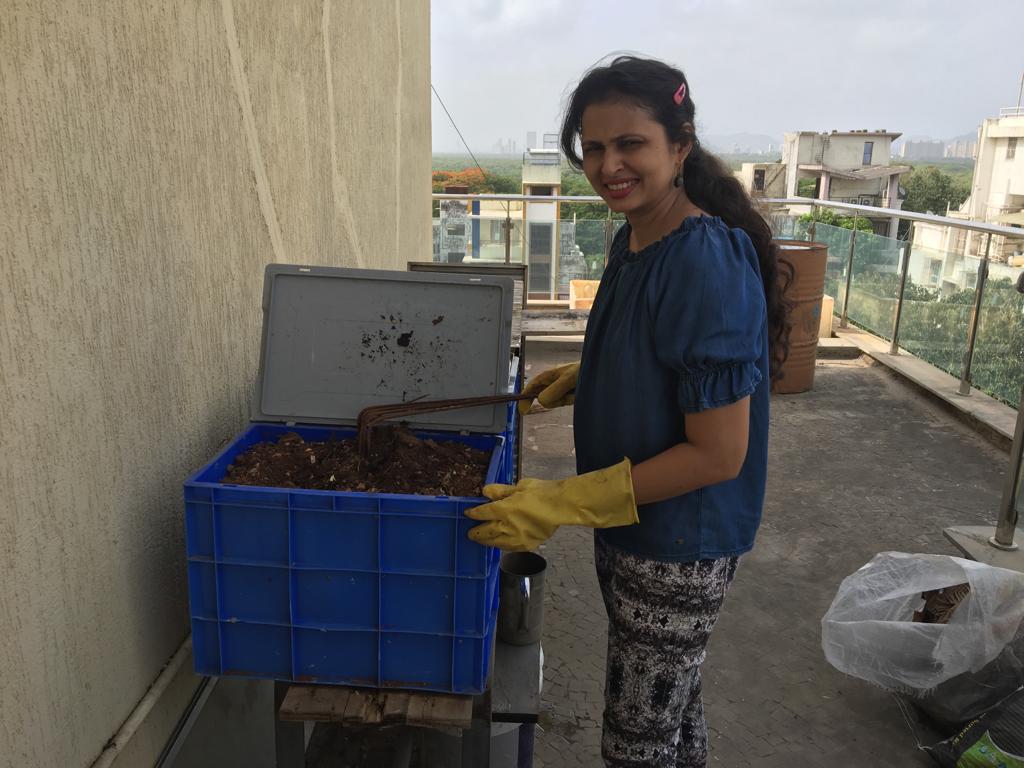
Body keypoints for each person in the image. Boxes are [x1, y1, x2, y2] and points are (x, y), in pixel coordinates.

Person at [465, 55, 791, 767]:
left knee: (636, 742)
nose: (609, 164)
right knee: (674, 712)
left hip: (679, 542)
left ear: (680, 144)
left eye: (630, 144)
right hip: (632, 527)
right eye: (594, 147)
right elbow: (667, 355)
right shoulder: (637, 234)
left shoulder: (703, 258)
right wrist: (592, 375)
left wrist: (562, 500)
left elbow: (718, 453)